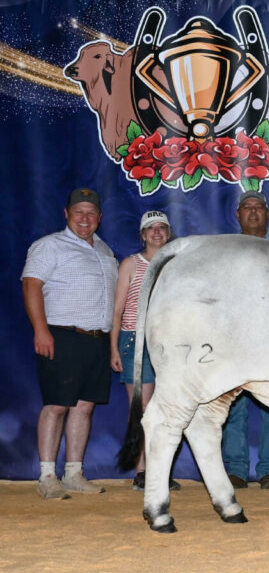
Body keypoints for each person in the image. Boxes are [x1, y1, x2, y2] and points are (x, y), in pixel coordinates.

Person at [22, 187, 118, 499]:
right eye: (79, 212)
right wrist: (41, 330)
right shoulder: (49, 246)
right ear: (67, 214)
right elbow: (31, 284)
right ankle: (47, 476)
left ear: (100, 218)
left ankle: (74, 473)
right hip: (61, 335)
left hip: (96, 339)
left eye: (91, 213)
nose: (85, 218)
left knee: (84, 407)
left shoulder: (105, 252)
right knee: (56, 406)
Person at [222, 190, 269, 490]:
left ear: (268, 213)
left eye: (259, 207)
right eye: (247, 207)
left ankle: (268, 469)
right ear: (238, 215)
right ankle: (236, 469)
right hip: (236, 339)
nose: (253, 212)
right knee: (233, 407)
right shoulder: (225, 249)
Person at [109, 210, 180, 491]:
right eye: (151, 228)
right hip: (135, 342)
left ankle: (158, 468)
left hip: (168, 343)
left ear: (168, 233)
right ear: (142, 235)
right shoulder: (130, 264)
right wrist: (113, 348)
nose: (156, 232)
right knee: (143, 408)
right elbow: (117, 310)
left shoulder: (175, 265)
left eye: (162, 227)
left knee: (168, 409)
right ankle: (143, 470)